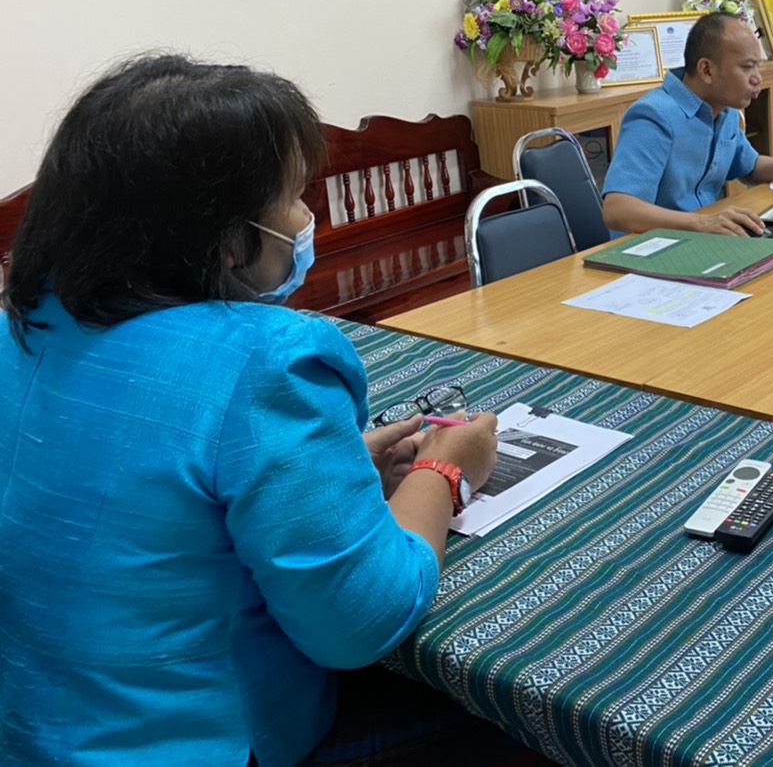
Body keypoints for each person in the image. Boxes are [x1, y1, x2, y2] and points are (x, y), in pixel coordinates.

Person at [0, 55, 529, 766]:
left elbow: (150, 488)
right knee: (507, 719)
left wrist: (342, 459)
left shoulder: (22, 324)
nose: (307, 217)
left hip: (30, 730)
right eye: (294, 196)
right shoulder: (266, 357)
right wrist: (443, 470)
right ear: (223, 236)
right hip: (195, 744)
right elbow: (361, 623)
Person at [602, 13, 773, 237]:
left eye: (758, 67)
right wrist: (702, 223)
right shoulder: (654, 115)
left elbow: (750, 166)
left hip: (702, 237)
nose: (757, 79)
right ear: (707, 70)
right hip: (655, 246)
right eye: (747, 67)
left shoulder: (725, 110)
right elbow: (618, 210)